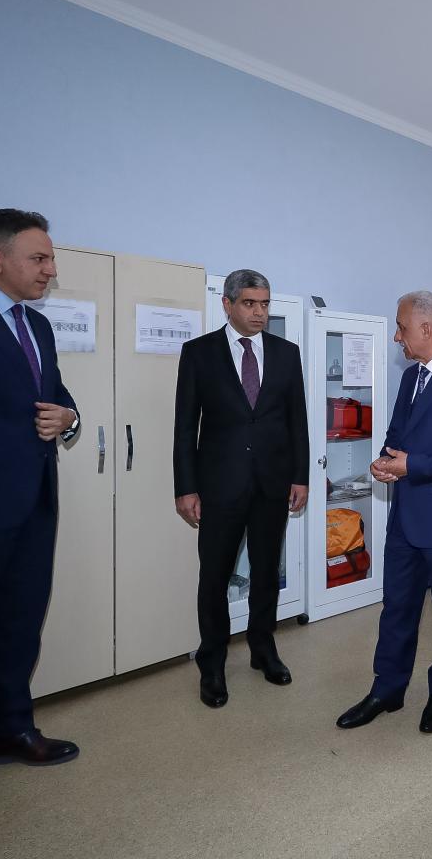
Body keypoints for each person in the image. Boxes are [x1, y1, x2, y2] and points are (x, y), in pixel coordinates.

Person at [0, 209, 81, 814]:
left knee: (19, 622)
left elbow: (57, 399)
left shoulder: (36, 325)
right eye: (39, 258)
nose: (50, 270)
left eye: (50, 258)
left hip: (35, 502)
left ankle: (11, 729)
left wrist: (70, 418)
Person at [336, 291, 432, 734]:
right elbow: (398, 435)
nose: (396, 337)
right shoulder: (411, 378)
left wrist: (413, 466)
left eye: (401, 328)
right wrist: (385, 461)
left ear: (426, 328)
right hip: (406, 517)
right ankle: (387, 688)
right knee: (397, 606)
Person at [173, 269, 309, 710]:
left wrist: (300, 476)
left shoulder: (286, 354)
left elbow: (297, 421)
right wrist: (186, 487)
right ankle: (211, 664)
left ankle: (263, 649)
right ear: (227, 304)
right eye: (250, 303)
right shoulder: (199, 353)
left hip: (272, 483)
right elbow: (184, 427)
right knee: (214, 576)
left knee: (266, 572)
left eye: (265, 304)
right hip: (219, 485)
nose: (259, 312)